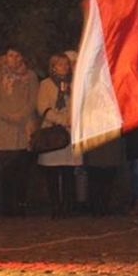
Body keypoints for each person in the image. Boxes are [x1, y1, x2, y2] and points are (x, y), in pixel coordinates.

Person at [0, 45, 38, 216]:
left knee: (22, 170)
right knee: (4, 172)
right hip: (3, 129)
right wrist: (9, 116)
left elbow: (33, 100)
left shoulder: (30, 77)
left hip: (23, 129)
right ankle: (4, 207)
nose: (14, 59)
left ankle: (20, 206)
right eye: (10, 55)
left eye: (17, 55)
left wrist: (21, 115)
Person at [35, 53, 80, 218]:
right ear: (53, 67)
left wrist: (71, 118)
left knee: (68, 172)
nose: (65, 67)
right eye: (60, 65)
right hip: (52, 133)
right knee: (52, 173)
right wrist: (61, 119)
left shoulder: (74, 83)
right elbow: (42, 107)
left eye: (66, 65)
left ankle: (68, 207)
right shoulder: (46, 85)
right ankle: (55, 206)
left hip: (69, 132)